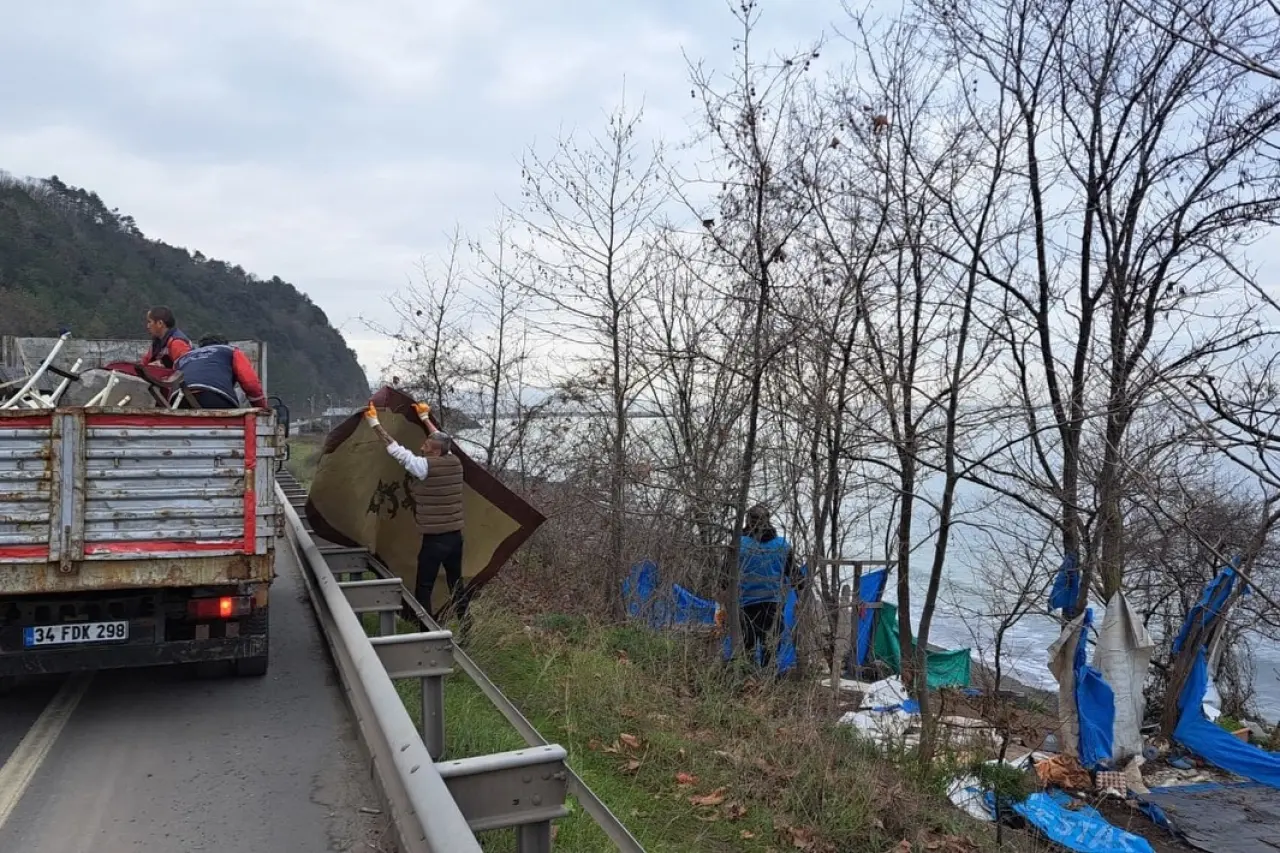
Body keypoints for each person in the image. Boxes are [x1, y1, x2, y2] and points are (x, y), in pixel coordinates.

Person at [363, 401, 469, 623]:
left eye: (427, 445)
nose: (422, 446)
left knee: (424, 586)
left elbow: (397, 451)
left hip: (435, 540)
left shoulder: (424, 467)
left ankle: (426, 631)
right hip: (455, 537)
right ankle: (466, 624)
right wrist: (424, 418)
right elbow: (442, 438)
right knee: (455, 582)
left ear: (435, 451)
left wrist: (375, 424)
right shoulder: (454, 460)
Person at [736, 504, 796, 670]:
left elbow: (725, 579)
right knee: (770, 650)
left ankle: (748, 684)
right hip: (772, 608)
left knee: (748, 648)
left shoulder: (738, 545)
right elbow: (798, 580)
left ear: (748, 521)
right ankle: (767, 686)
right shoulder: (782, 546)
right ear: (768, 522)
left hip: (745, 608)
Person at [172, 336, 267, 409]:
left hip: (178, 399)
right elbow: (251, 383)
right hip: (213, 396)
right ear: (225, 344)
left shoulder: (184, 358)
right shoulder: (230, 351)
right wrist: (261, 408)